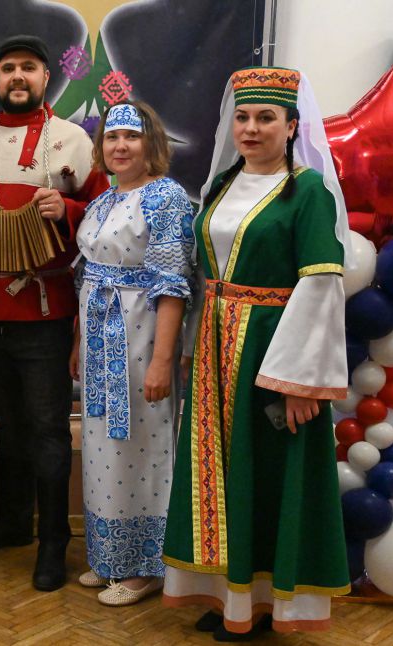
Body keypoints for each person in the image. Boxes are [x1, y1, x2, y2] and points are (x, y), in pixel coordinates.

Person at [162, 67, 350, 640]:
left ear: (291, 126)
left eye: (266, 117)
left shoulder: (307, 191)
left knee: (264, 472)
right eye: (242, 116)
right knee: (218, 473)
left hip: (272, 353)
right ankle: (228, 594)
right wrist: (192, 343)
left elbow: (321, 283)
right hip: (216, 349)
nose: (250, 128)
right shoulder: (221, 184)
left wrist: (298, 382)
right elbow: (207, 275)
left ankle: (264, 604)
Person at [0, 34, 104, 591]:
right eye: (8, 68)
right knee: (7, 425)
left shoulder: (75, 140)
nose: (17, 77)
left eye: (29, 68)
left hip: (44, 312)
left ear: (47, 77)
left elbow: (107, 214)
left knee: (47, 430)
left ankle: (53, 541)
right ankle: (13, 521)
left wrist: (67, 208)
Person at [70, 101, 194, 606]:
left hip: (141, 340)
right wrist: (79, 341)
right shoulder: (104, 199)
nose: (120, 146)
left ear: (152, 144)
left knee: (143, 445)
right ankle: (111, 557)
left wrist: (163, 360)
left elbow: (173, 284)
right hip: (99, 343)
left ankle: (148, 567)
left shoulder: (166, 198)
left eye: (132, 136)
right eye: (112, 137)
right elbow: (89, 274)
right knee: (102, 447)